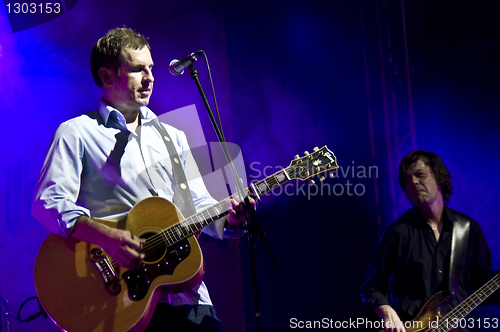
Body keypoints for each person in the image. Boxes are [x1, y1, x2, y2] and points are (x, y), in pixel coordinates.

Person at [32, 27, 252, 332]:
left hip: (188, 296)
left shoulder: (173, 134)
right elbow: (48, 203)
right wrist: (105, 236)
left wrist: (227, 218)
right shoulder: (76, 132)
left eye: (151, 68)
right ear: (107, 76)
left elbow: (196, 204)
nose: (150, 78)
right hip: (120, 302)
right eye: (137, 70)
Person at [359, 150, 500, 332]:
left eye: (420, 175)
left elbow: (485, 286)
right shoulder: (396, 232)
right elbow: (370, 288)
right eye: (407, 179)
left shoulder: (468, 229)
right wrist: (386, 310)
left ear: (439, 178)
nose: (413, 182)